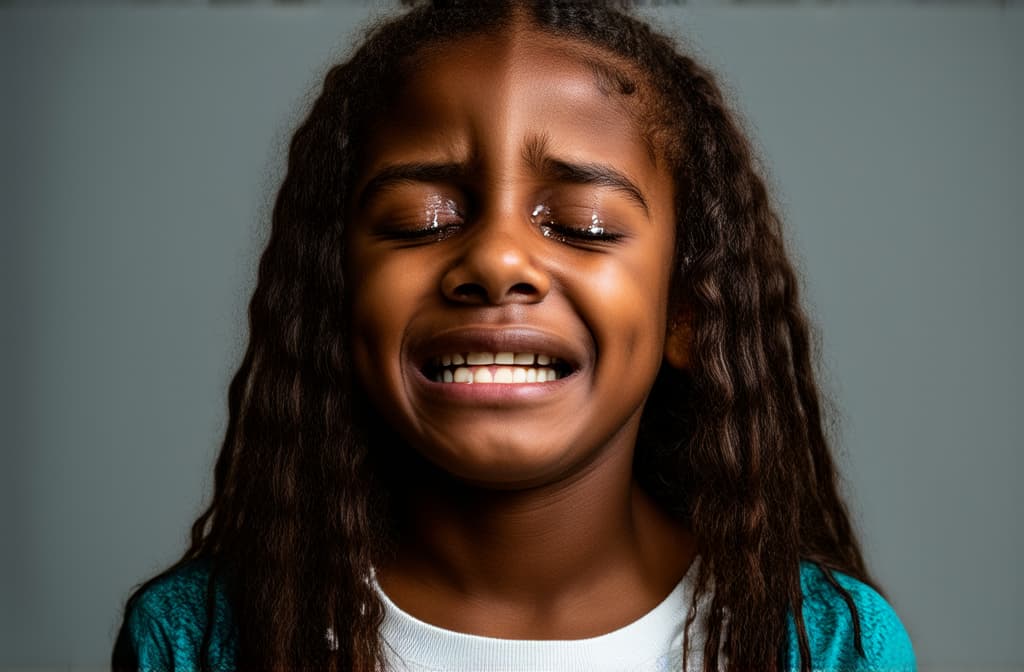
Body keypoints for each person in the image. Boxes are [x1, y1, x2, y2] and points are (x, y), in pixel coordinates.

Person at [112, 1, 916, 671]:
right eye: (420, 219)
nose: (497, 261)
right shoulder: (198, 639)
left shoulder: (823, 643)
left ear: (687, 313)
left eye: (583, 225)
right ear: (337, 294)